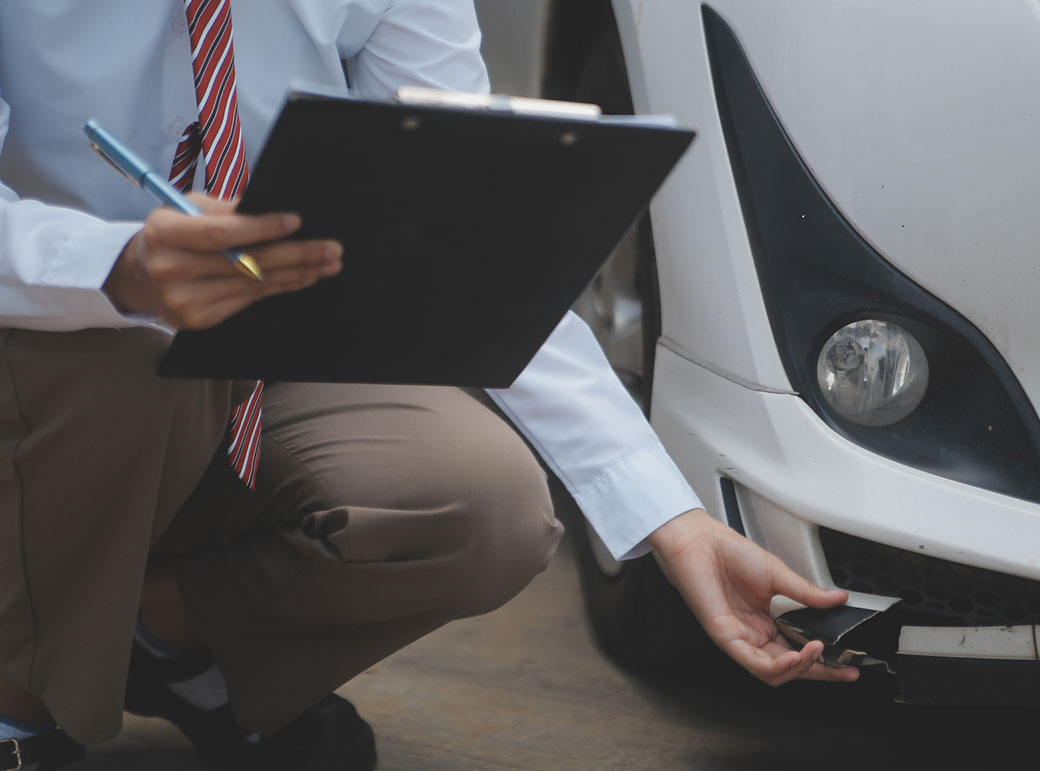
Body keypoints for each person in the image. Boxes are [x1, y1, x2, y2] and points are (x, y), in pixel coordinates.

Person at [0, 1, 858, 769]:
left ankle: (166, 633)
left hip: (262, 341)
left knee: (483, 503)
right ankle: (20, 704)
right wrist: (106, 268)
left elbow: (481, 235)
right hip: (45, 343)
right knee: (127, 355)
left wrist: (672, 520)